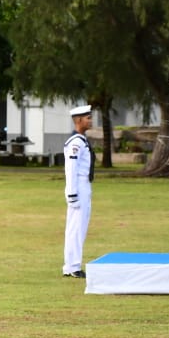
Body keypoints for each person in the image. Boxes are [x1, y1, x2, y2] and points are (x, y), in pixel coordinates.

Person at [63, 105, 94, 278]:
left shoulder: (81, 140)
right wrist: (72, 193)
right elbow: (71, 169)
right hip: (78, 186)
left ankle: (71, 265)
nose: (90, 120)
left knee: (77, 227)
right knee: (76, 227)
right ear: (79, 120)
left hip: (83, 185)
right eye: (87, 118)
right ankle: (73, 266)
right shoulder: (76, 143)